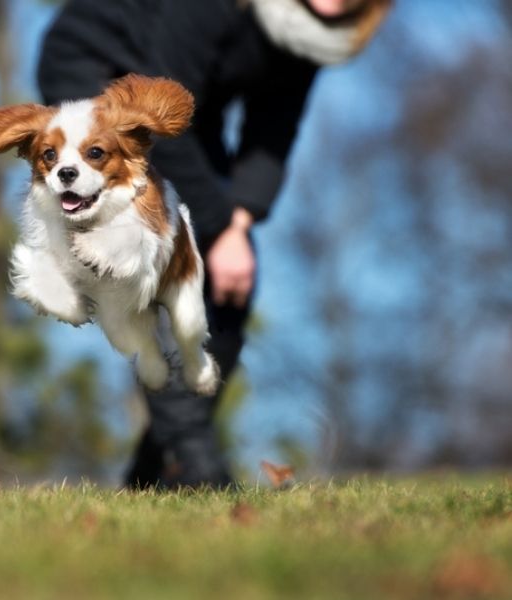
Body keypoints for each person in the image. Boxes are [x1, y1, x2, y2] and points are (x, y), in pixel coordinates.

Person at [37, 0, 392, 489]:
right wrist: (219, 229)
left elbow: (271, 132)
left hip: (182, 111)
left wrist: (239, 223)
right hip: (98, 68)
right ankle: (201, 469)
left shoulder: (311, 36)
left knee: (233, 284)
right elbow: (157, 119)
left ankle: (153, 475)